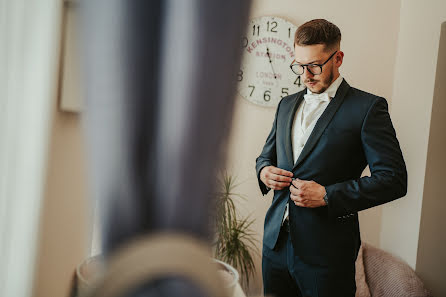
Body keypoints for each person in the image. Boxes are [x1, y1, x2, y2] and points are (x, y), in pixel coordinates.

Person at [256, 19, 407, 297]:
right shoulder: (286, 105)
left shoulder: (368, 108)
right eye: (299, 66)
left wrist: (328, 195)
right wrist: (264, 172)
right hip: (275, 246)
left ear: (338, 58)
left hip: (326, 255)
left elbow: (394, 180)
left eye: (314, 65)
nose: (305, 75)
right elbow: (265, 158)